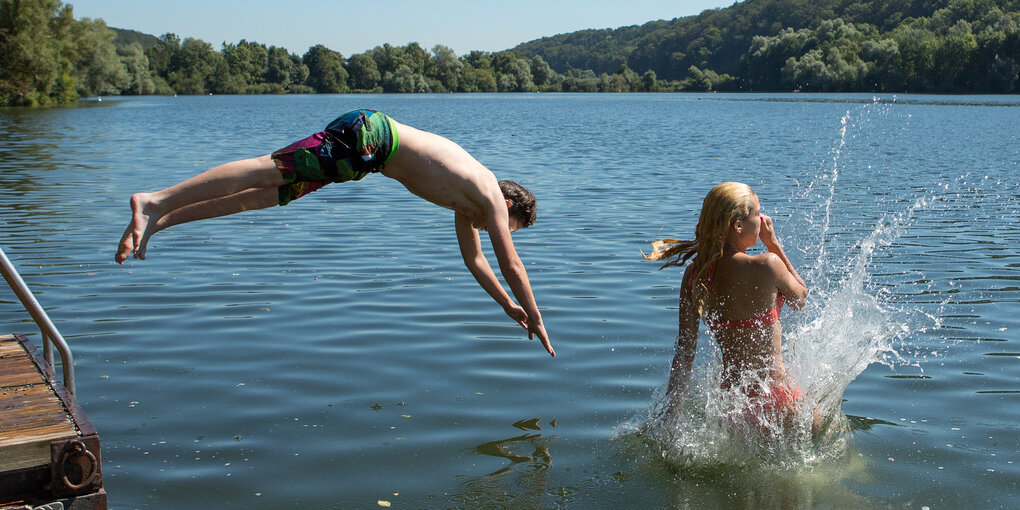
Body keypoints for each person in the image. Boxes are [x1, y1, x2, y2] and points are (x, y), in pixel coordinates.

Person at [115, 109, 554, 357]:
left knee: (265, 197)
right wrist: (536, 314)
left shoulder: (466, 206)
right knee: (267, 173)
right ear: (511, 206)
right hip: (370, 137)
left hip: (365, 158)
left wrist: (509, 307)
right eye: (509, 228)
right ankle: (156, 199)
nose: (493, 229)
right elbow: (508, 262)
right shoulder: (490, 197)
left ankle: (163, 220)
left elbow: (474, 261)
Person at [643, 182, 809, 430]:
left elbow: (685, 351)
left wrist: (670, 409)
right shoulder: (767, 264)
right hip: (777, 398)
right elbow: (801, 298)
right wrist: (773, 243)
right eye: (758, 213)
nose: (763, 220)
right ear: (738, 225)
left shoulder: (695, 275)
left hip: (733, 405)